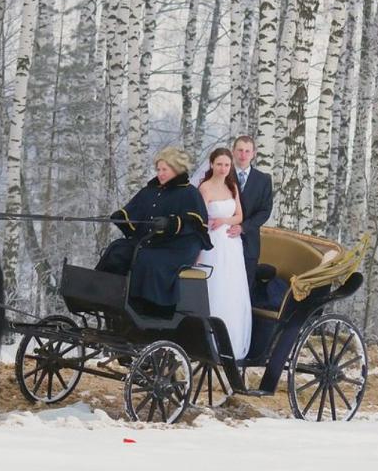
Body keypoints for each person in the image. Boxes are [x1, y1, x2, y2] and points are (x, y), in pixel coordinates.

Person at [96, 147, 213, 317]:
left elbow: (196, 225)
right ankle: (105, 297)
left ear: (176, 168)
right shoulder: (151, 191)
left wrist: (172, 223)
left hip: (178, 247)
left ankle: (147, 309)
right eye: (158, 169)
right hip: (151, 242)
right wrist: (121, 217)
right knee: (117, 249)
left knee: (147, 260)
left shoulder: (189, 193)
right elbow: (134, 209)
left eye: (165, 169)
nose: (160, 173)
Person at [198, 148, 252, 360]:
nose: (223, 169)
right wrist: (213, 223)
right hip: (213, 242)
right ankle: (208, 339)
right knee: (215, 286)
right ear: (212, 165)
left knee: (231, 289)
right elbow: (201, 218)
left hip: (231, 244)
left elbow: (239, 215)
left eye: (226, 165)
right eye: (219, 164)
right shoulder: (205, 188)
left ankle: (232, 340)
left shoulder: (232, 187)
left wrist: (224, 221)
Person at [228, 135, 273, 294]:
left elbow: (265, 211)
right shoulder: (223, 174)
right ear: (233, 151)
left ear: (254, 153)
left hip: (249, 243)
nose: (243, 154)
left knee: (244, 289)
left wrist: (243, 227)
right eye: (240, 150)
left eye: (247, 151)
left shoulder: (264, 180)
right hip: (225, 238)